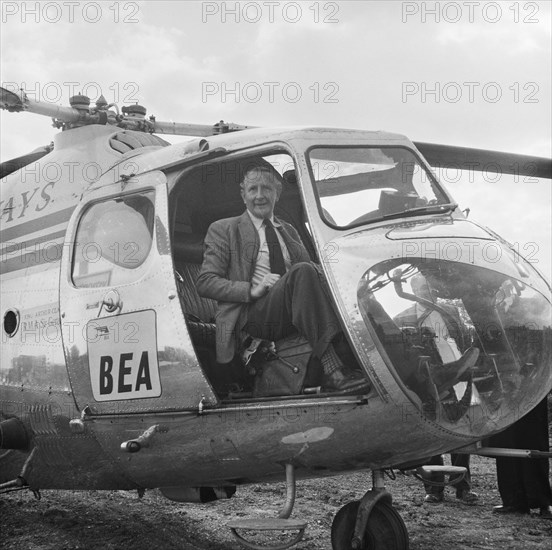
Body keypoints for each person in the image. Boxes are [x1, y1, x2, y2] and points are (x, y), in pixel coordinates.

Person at [196, 165, 369, 393]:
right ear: (243, 194)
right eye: (252, 189)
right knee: (303, 271)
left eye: (266, 189)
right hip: (253, 316)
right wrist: (251, 289)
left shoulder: (288, 231)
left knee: (347, 282)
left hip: (293, 307)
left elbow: (313, 277)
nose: (259, 195)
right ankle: (333, 370)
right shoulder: (224, 229)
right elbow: (205, 282)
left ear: (276, 194)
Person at [490, 396, 552, 519]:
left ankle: (543, 503)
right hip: (508, 398)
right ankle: (513, 502)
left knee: (534, 444)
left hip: (533, 394)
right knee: (507, 448)